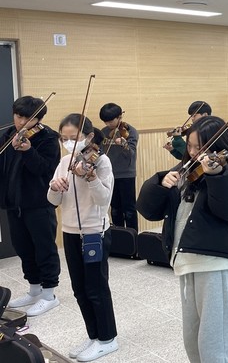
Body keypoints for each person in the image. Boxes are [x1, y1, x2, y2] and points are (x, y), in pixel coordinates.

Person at [136, 116, 228, 363]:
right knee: (192, 339)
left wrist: (217, 175)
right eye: (191, 146)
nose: (195, 153)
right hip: (185, 261)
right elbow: (148, 210)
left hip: (214, 262)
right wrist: (159, 184)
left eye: (201, 147)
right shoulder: (184, 171)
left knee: (214, 343)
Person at [48, 114, 119, 361]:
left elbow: (103, 200)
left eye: (73, 138)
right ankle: (93, 335)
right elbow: (53, 201)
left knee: (96, 288)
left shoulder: (102, 162)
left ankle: (107, 339)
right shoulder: (64, 161)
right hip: (69, 232)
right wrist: (54, 187)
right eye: (64, 138)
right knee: (79, 289)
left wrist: (91, 178)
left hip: (94, 233)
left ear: (89, 136)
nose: (68, 143)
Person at [0, 96, 61, 316]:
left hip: (38, 202)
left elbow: (45, 169)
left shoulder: (48, 138)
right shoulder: (8, 135)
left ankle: (49, 294)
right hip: (14, 203)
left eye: (28, 118)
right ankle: (34, 290)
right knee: (23, 247)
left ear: (38, 119)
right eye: (18, 116)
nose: (22, 122)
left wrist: (28, 151)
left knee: (44, 247)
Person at [99, 103, 139, 232]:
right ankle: (119, 237)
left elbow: (131, 154)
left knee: (129, 210)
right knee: (115, 209)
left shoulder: (130, 132)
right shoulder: (103, 132)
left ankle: (133, 238)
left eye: (111, 121)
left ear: (119, 117)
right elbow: (100, 152)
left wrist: (124, 144)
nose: (108, 124)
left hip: (126, 174)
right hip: (110, 174)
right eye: (105, 121)